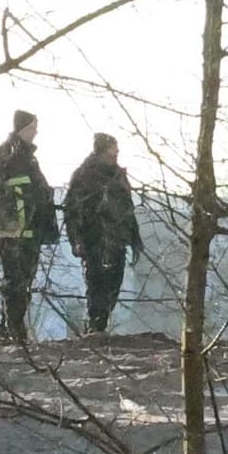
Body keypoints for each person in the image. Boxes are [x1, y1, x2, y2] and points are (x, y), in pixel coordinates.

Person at [0, 110, 60, 342]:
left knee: (26, 280)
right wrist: (9, 204)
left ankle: (14, 327)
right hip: (10, 230)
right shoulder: (1, 156)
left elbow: (37, 190)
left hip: (31, 229)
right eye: (33, 127)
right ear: (22, 128)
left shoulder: (30, 159)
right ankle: (12, 330)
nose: (36, 132)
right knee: (14, 279)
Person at [63, 132, 143, 334]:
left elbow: (128, 208)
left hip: (118, 240)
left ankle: (100, 322)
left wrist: (135, 239)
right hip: (94, 239)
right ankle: (95, 326)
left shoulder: (118, 175)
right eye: (113, 148)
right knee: (97, 283)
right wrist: (76, 240)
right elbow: (72, 210)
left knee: (114, 283)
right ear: (102, 151)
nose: (117, 152)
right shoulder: (84, 175)